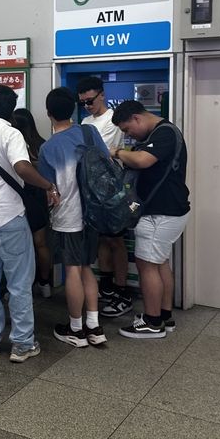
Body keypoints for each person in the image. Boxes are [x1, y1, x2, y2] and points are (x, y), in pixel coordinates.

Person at [0, 86, 59, 362]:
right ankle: (22, 344)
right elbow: (21, 167)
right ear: (10, 108)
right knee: (19, 284)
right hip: (10, 219)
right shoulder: (11, 133)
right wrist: (47, 185)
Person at [110, 101, 190, 339]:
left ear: (137, 118)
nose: (128, 135)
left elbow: (143, 160)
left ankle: (152, 322)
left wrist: (116, 153)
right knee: (159, 263)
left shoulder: (164, 132)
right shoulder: (159, 133)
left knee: (146, 265)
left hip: (161, 212)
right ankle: (164, 316)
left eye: (127, 129)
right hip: (166, 210)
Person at [38, 87, 107, 348]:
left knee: (72, 270)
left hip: (68, 217)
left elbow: (49, 189)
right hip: (94, 213)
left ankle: (76, 330)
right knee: (87, 267)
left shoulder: (48, 148)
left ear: (48, 113)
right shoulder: (90, 132)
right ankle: (94, 325)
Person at [78, 76, 132, 318]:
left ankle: (122, 291)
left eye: (90, 100)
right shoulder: (85, 121)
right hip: (91, 188)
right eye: (83, 103)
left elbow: (100, 152)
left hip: (111, 187)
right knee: (100, 238)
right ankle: (106, 286)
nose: (87, 106)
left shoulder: (114, 120)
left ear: (102, 94)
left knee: (116, 240)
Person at [12, 108, 53, 298]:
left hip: (19, 198)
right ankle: (45, 283)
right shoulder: (43, 144)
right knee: (41, 244)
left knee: (20, 248)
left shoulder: (14, 145)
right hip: (39, 197)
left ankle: (23, 287)